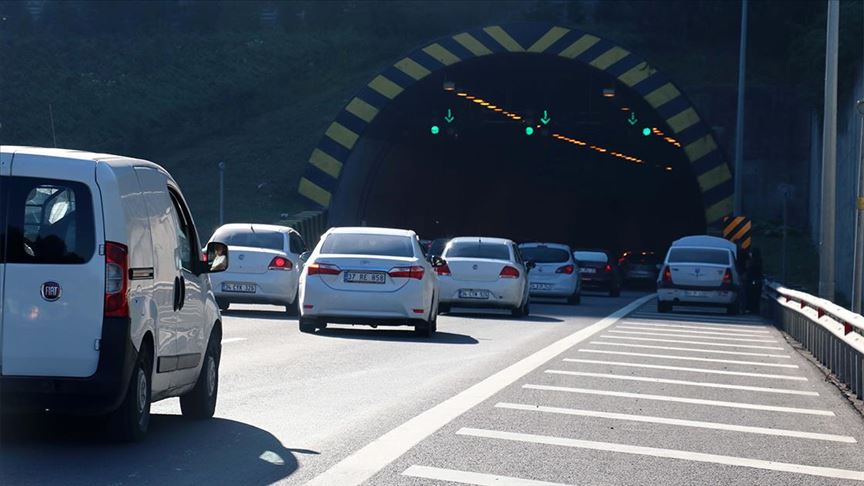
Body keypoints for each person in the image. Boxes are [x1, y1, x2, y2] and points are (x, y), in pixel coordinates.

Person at [745, 248, 763, 313]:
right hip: (757, 280)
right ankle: (755, 309)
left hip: (752, 280)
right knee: (756, 296)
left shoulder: (752, 261)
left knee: (750, 295)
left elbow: (749, 271)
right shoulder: (759, 261)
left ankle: (750, 308)